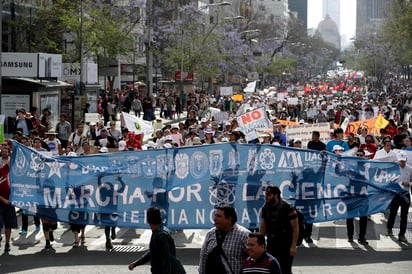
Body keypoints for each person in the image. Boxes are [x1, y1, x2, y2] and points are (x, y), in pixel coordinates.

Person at [128, 207, 185, 273]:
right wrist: (136, 264)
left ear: (148, 220)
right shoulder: (160, 230)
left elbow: (167, 260)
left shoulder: (160, 235)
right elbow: (153, 252)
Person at [199, 205, 249, 274]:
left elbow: (254, 258)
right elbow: (203, 256)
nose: (215, 219)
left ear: (229, 219)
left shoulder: (243, 235)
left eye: (219, 216)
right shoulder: (211, 233)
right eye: (215, 215)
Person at [260, 185, 298, 274]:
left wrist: (293, 246)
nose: (266, 197)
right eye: (266, 194)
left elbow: (295, 229)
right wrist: (260, 243)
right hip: (271, 244)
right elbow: (262, 228)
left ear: (276, 195)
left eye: (269, 195)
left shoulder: (288, 208)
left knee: (285, 270)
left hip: (286, 245)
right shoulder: (265, 208)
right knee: (271, 269)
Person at [386, 151, 411, 243]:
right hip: (395, 194)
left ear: (406, 160)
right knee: (393, 213)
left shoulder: (410, 169)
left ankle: (402, 234)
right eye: (400, 161)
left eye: (403, 161)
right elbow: (388, 180)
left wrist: (409, 183)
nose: (402, 163)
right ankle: (389, 228)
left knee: (404, 215)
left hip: (405, 194)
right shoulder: (393, 168)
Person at [346, 149, 369, 245]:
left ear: (364, 156)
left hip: (363, 197)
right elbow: (338, 170)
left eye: (361, 155)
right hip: (352, 196)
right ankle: (350, 236)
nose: (359, 157)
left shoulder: (368, 167)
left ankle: (362, 237)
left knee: (363, 218)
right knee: (350, 217)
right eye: (357, 155)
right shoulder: (350, 167)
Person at [0, 146, 18, 252]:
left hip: (10, 202)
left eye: (6, 152)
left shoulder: (6, 169)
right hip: (2, 202)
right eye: (3, 152)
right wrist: (3, 200)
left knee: (8, 225)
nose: (4, 153)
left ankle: (7, 243)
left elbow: (12, 162)